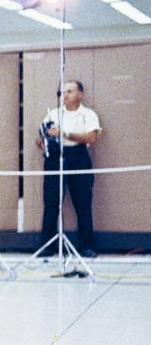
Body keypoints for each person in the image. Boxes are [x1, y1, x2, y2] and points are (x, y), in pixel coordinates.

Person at [39, 79, 101, 258]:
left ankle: (86, 246)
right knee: (51, 202)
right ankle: (47, 246)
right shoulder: (53, 114)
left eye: (69, 91)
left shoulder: (88, 114)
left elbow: (91, 138)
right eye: (63, 92)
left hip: (78, 157)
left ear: (80, 94)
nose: (65, 95)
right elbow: (40, 139)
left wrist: (64, 133)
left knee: (83, 203)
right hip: (55, 158)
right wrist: (45, 142)